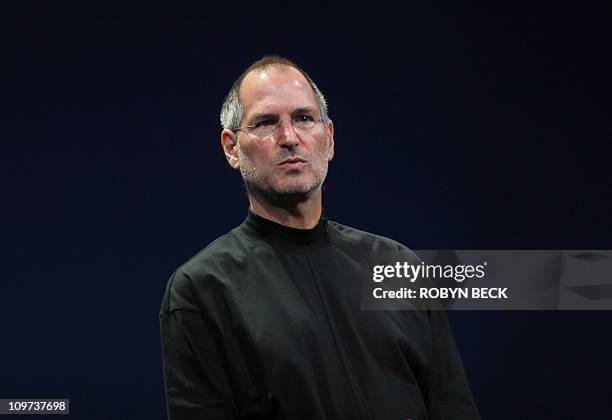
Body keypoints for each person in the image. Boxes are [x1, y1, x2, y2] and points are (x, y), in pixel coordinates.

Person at [159, 55, 480, 419]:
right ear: (232, 147)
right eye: (266, 122)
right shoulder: (203, 289)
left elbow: (453, 406)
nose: (289, 138)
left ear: (328, 139)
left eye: (304, 118)